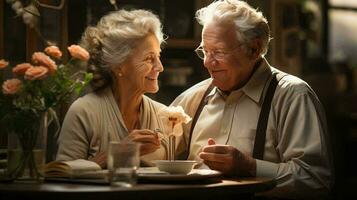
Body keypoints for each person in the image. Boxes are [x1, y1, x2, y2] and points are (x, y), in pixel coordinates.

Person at [172, 0, 332, 199]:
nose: (207, 62)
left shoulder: (292, 96)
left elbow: (314, 179)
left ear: (254, 49)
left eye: (219, 52)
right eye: (205, 51)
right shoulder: (193, 98)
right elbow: (159, 155)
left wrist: (250, 167)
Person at [57, 9, 167, 168]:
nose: (160, 67)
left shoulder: (164, 116)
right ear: (118, 66)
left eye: (158, 56)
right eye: (149, 58)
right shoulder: (84, 112)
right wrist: (117, 153)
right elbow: (62, 177)